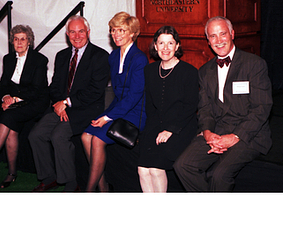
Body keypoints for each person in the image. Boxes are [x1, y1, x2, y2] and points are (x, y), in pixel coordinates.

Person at [173, 16, 273, 191]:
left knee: (219, 175)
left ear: (232, 34)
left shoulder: (254, 64)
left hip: (249, 134)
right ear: (208, 41)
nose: (218, 41)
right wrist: (208, 133)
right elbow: (204, 109)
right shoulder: (205, 71)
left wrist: (234, 137)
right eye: (213, 36)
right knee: (183, 165)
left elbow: (261, 108)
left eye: (222, 34)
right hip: (217, 130)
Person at [28, 15, 109, 192]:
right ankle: (49, 177)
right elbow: (55, 85)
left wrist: (66, 102)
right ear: (67, 34)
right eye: (72, 32)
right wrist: (59, 103)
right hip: (61, 108)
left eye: (81, 31)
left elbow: (95, 91)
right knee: (36, 135)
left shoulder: (100, 56)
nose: (77, 35)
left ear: (88, 32)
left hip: (86, 109)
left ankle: (71, 183)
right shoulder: (62, 55)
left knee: (58, 136)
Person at [81, 11, 148, 192]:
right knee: (85, 136)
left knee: (97, 140)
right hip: (118, 107)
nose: (116, 35)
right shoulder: (113, 56)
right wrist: (107, 114)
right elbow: (117, 93)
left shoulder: (139, 59)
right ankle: (103, 190)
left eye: (121, 30)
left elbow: (134, 96)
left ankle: (89, 191)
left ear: (132, 33)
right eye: (113, 30)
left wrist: (108, 117)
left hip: (135, 111)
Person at [0, 25, 49, 188]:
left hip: (35, 102)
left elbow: (37, 89)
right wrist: (5, 97)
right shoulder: (8, 59)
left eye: (23, 39)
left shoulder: (40, 60)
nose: (19, 42)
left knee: (8, 118)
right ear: (12, 41)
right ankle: (12, 173)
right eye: (16, 39)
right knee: (11, 127)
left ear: (29, 42)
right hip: (15, 104)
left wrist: (13, 99)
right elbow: (2, 85)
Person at [137, 26, 199, 192]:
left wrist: (170, 130)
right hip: (156, 125)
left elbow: (191, 106)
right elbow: (150, 106)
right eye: (161, 43)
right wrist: (148, 132)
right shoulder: (149, 71)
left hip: (182, 127)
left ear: (177, 46)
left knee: (156, 169)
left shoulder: (189, 72)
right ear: (155, 46)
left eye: (170, 43)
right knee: (142, 169)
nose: (165, 48)